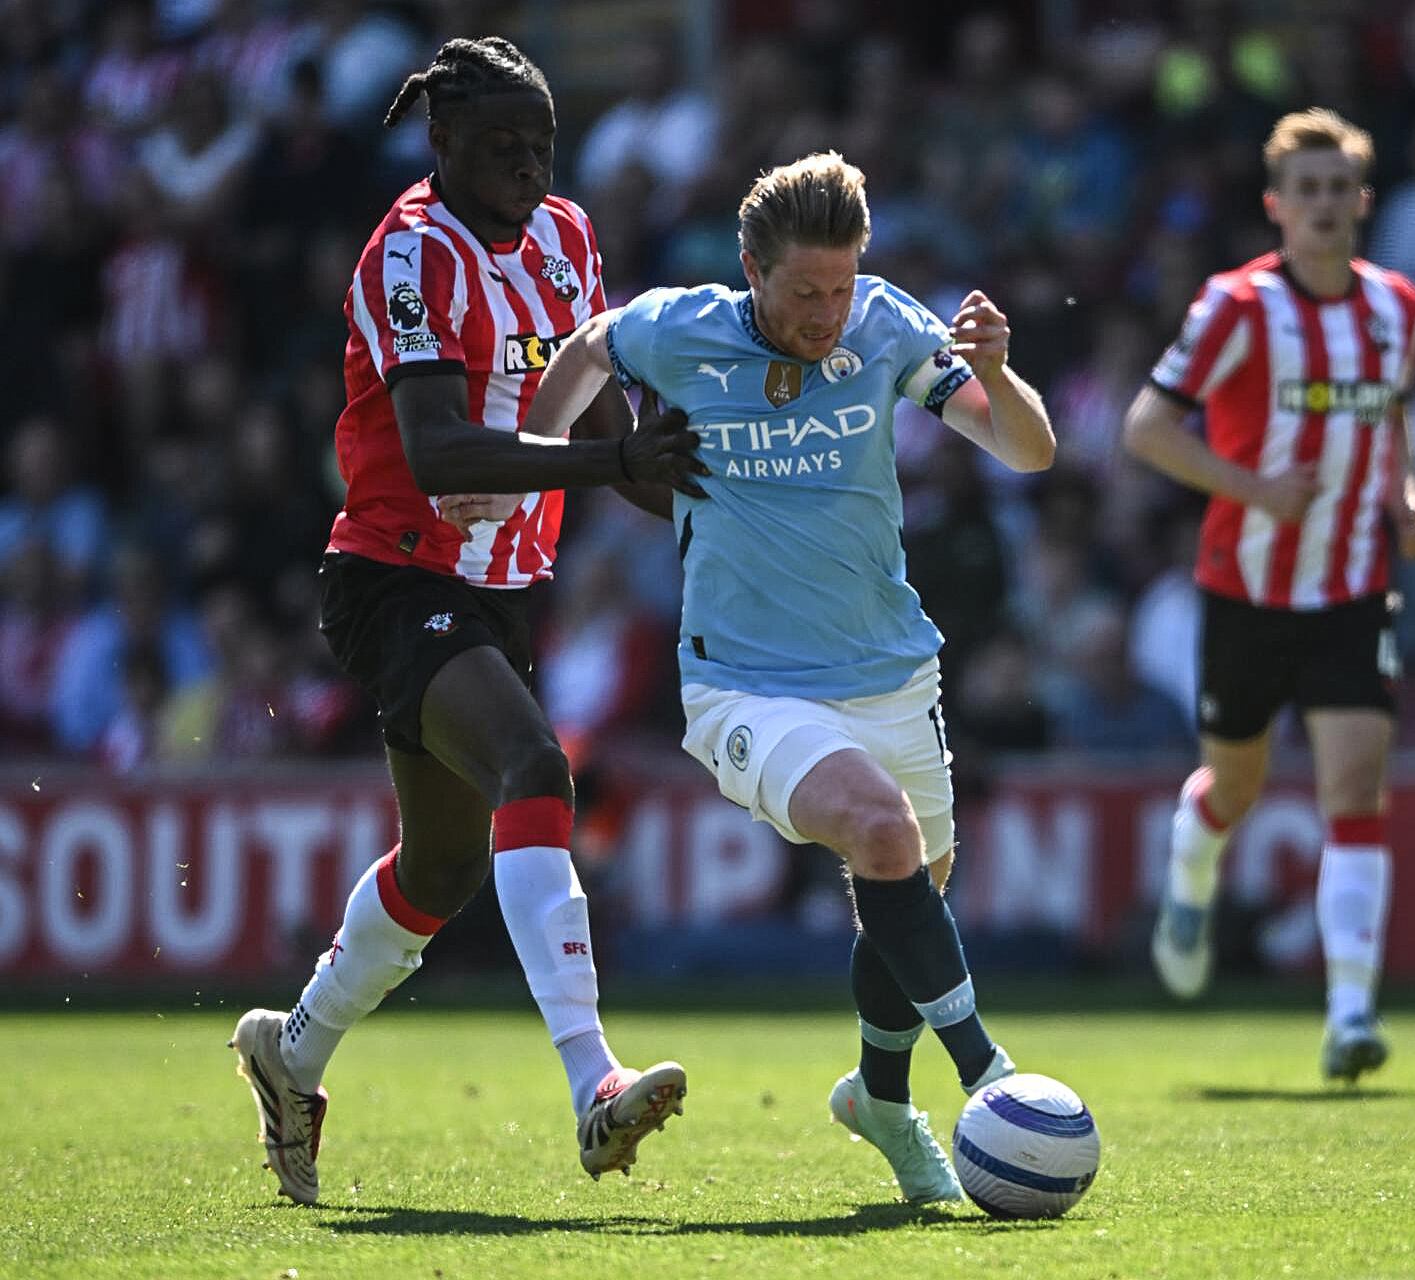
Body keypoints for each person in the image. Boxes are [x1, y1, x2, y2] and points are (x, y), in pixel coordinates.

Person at [521, 151, 1056, 1203]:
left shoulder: (889, 325)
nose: (827, 314)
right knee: (885, 830)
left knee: (908, 891)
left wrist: (999, 370)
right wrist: (554, 462)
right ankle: (989, 1073)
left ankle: (878, 1100)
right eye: (804, 291)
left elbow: (1028, 451)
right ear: (751, 270)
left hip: (890, 668)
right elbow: (588, 346)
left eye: (842, 286)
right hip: (744, 684)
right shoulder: (681, 329)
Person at [230, 37, 707, 1207]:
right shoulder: (406, 253)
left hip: (497, 582)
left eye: (542, 144)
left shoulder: (570, 237)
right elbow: (440, 452)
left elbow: (616, 421)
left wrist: (716, 479)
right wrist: (612, 460)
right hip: (395, 571)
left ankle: (289, 1053)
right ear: (439, 143)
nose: (527, 167)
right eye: (500, 146)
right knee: (535, 761)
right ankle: (594, 1082)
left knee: (440, 868)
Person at [1121, 108, 1415, 1083]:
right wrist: (1255, 489)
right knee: (1239, 786)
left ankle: (1350, 1010)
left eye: (1340, 187)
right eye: (1307, 191)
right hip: (1247, 588)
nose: (1325, 205)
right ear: (1276, 206)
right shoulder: (1239, 307)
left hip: (1351, 585)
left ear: (1363, 200)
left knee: (1355, 786)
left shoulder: (1399, 307)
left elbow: (1391, 416)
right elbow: (1146, 426)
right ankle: (1192, 862)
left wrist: (1408, 497)